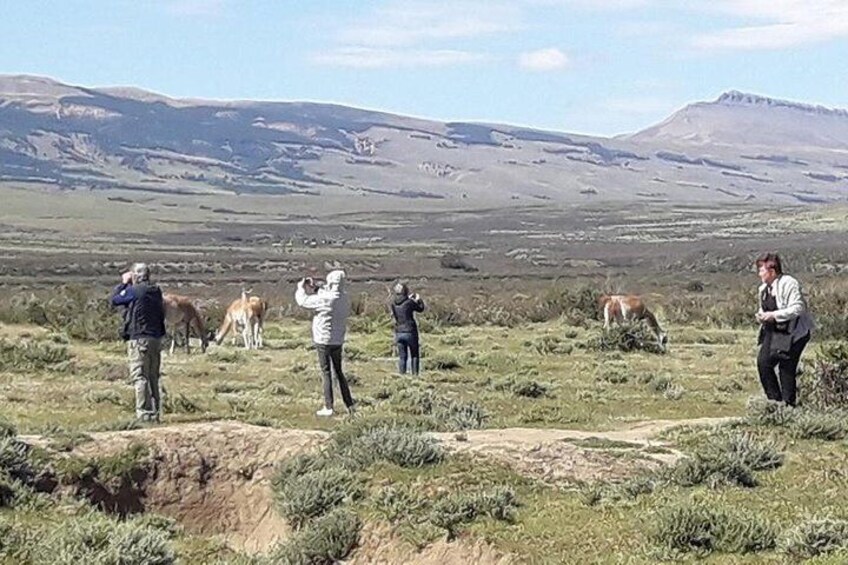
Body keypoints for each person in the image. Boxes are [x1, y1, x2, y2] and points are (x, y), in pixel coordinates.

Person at [755, 253, 814, 407]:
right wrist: (762, 316)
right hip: (774, 332)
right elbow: (765, 308)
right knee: (763, 363)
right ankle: (774, 402)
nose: (759, 273)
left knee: (786, 367)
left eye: (761, 270)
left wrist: (774, 315)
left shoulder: (789, 283)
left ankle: (789, 406)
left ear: (772, 271)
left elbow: (798, 308)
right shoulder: (763, 289)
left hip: (794, 334)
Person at [111, 263, 166, 422]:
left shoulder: (135, 290)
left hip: (139, 339)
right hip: (155, 339)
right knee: (153, 377)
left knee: (140, 377)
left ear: (136, 276)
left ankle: (144, 414)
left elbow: (115, 300)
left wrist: (124, 283)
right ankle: (156, 413)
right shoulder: (156, 291)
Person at [295, 270, 355, 417]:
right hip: (338, 340)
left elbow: (303, 301)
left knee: (326, 372)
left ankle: (328, 406)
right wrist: (316, 287)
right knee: (339, 372)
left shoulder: (326, 299)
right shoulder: (344, 298)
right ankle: (350, 404)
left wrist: (300, 288)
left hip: (323, 339)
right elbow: (328, 293)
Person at [390, 283, 425, 375]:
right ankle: (415, 376)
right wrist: (418, 300)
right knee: (414, 355)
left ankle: (402, 375)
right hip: (410, 331)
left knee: (402, 357)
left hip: (399, 331)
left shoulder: (393, 303)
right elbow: (420, 309)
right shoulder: (409, 302)